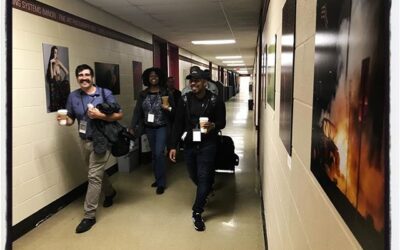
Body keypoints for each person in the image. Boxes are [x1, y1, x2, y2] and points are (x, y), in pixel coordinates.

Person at [56, 64, 121, 233]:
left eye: (87, 75)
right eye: (80, 75)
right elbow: (70, 118)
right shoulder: (73, 96)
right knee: (95, 172)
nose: (84, 78)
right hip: (85, 139)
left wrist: (100, 115)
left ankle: (89, 216)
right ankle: (110, 192)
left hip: (103, 140)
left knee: (93, 176)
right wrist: (64, 121)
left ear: (92, 77)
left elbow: (119, 114)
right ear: (77, 78)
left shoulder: (104, 93)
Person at [169, 66, 226, 231]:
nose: (193, 83)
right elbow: (178, 124)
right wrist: (173, 146)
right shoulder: (185, 100)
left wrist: (213, 125)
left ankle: (197, 211)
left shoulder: (215, 100)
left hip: (208, 144)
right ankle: (207, 187)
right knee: (193, 175)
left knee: (203, 176)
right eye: (191, 80)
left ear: (204, 82)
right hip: (189, 144)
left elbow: (222, 122)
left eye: (197, 80)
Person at [130, 67, 175, 195]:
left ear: (160, 77)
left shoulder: (166, 92)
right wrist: (132, 126)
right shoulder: (143, 94)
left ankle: (161, 183)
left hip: (162, 127)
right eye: (150, 76)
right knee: (154, 154)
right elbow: (137, 111)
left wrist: (168, 108)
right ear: (147, 79)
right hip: (149, 128)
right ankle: (157, 177)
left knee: (159, 153)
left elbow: (174, 111)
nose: (153, 77)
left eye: (156, 75)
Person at [46, 46, 70, 112]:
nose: (55, 54)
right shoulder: (50, 63)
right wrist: (51, 63)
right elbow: (51, 76)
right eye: (54, 53)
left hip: (59, 84)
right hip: (54, 86)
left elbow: (66, 72)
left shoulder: (58, 62)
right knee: (55, 104)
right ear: (52, 53)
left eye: (56, 53)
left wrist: (63, 80)